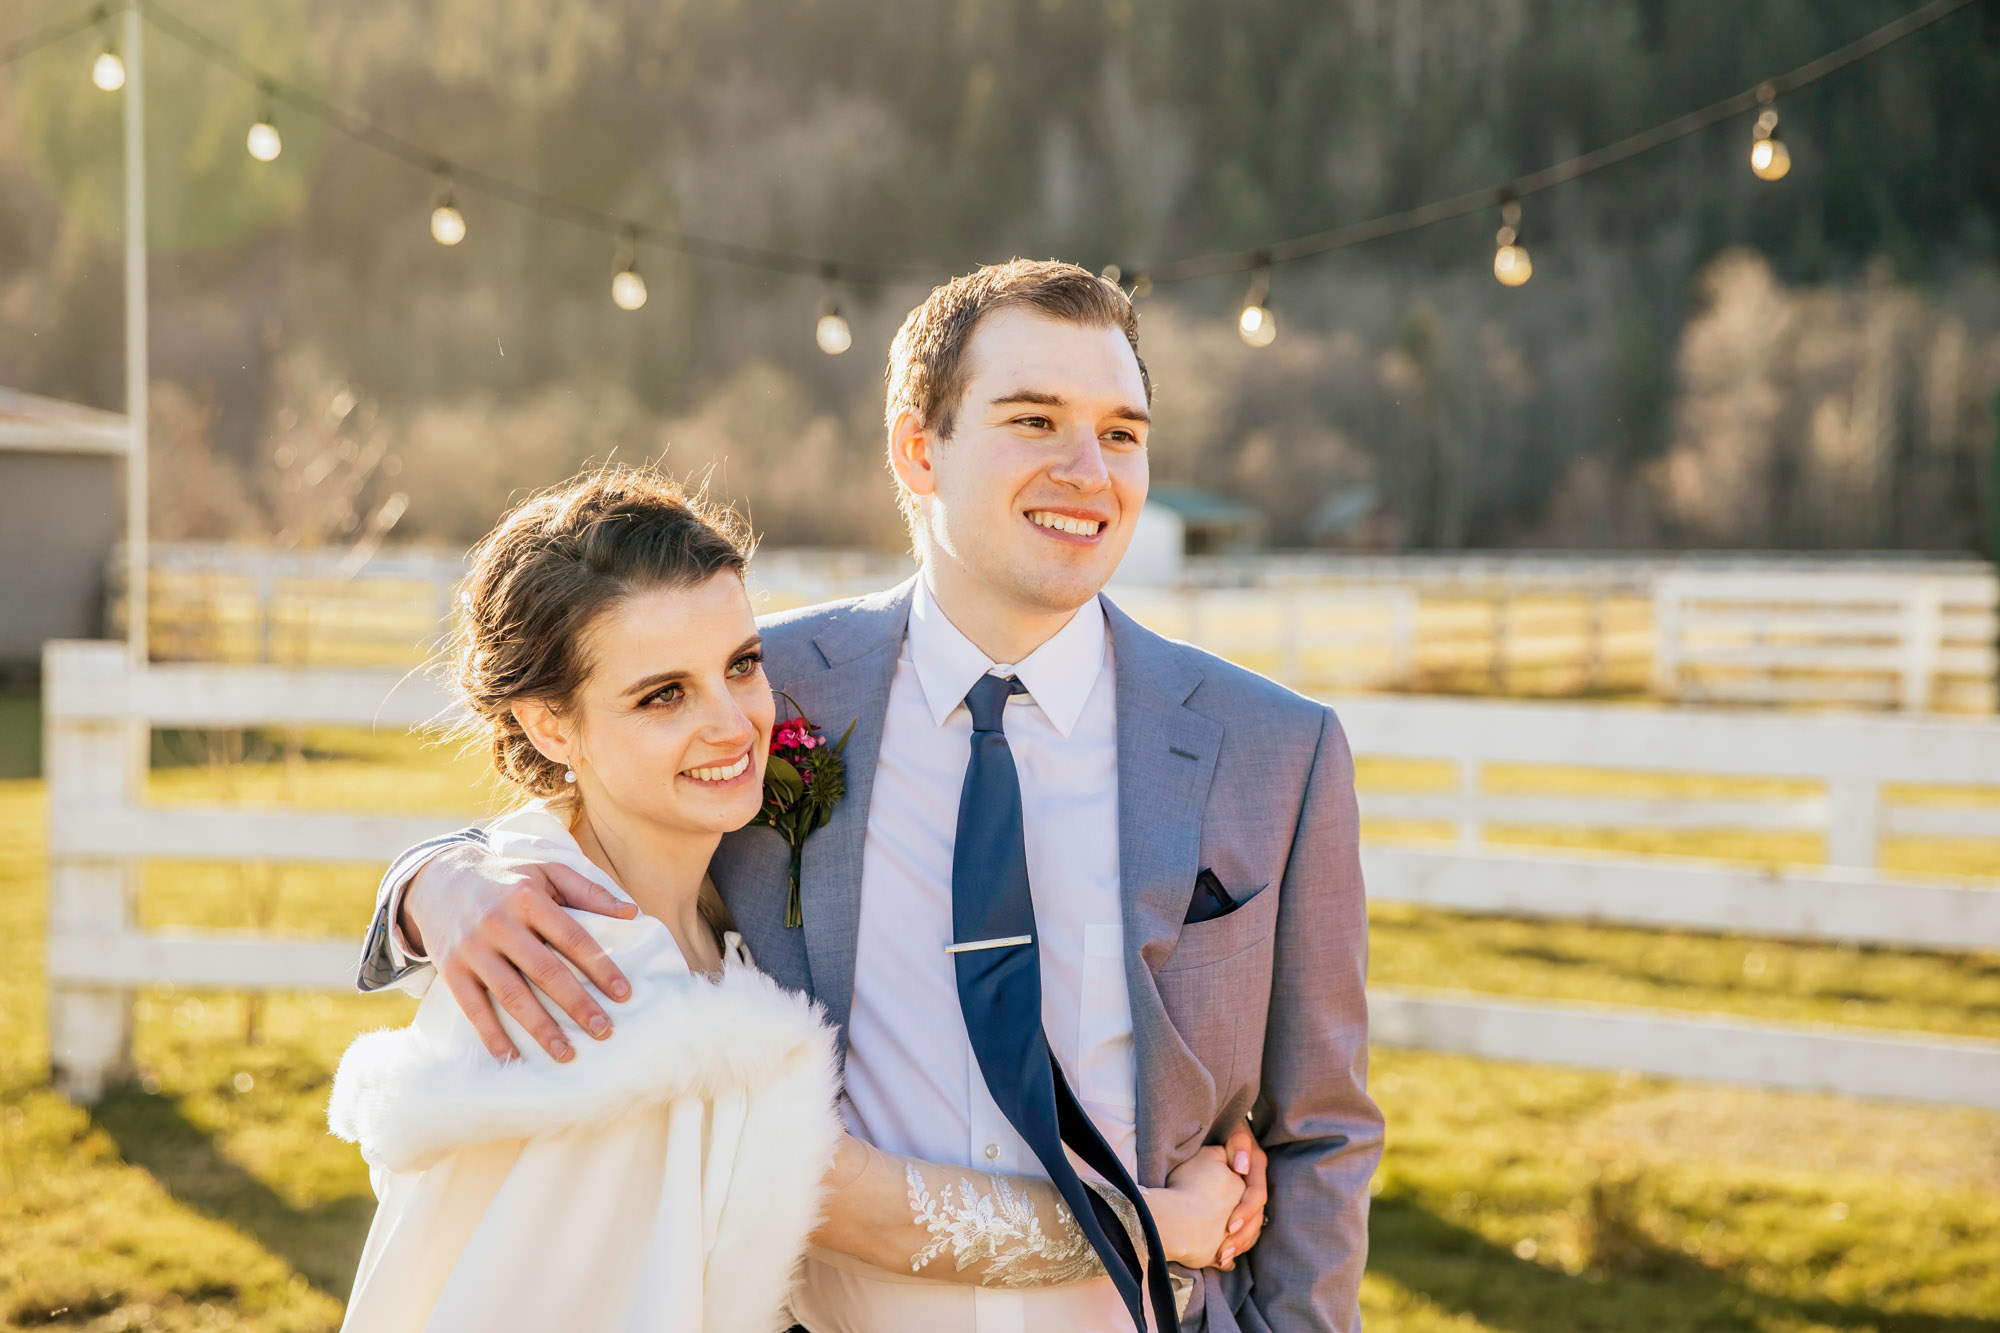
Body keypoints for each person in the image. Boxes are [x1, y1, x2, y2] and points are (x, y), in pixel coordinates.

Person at [356, 258, 1381, 1332]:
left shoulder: (1275, 747)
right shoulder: (768, 687)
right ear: (915, 448)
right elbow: (594, 790)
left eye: (1120, 432)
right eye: (1033, 420)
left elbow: (1323, 1126)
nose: (1089, 468)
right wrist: (435, 883)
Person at [331, 467, 1257, 1333]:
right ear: (547, 723)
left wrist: (429, 879)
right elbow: (886, 1218)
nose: (732, 725)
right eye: (662, 696)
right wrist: (1166, 1221)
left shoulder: (667, 895)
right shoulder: (585, 966)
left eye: (739, 664)